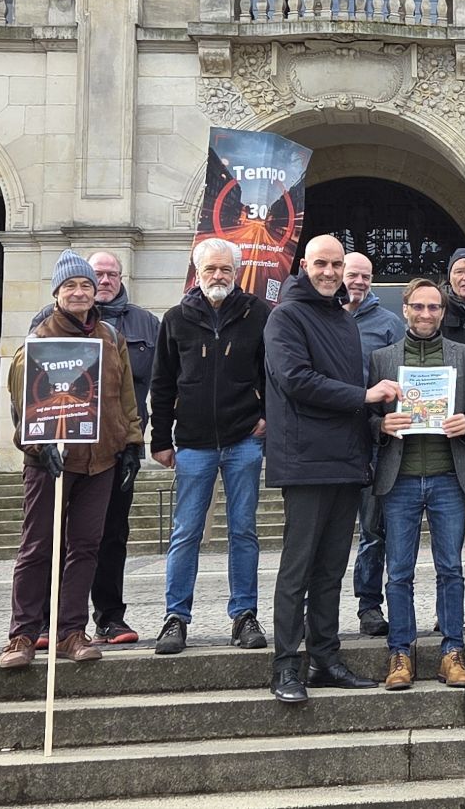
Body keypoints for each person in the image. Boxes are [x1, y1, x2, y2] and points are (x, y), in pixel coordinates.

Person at [264, 235, 401, 704]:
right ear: (304, 265)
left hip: (346, 459)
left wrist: (376, 421)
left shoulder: (342, 319)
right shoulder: (285, 316)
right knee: (297, 570)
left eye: (336, 264)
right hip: (304, 460)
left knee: (330, 570)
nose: (329, 271)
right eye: (320, 263)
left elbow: (349, 388)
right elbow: (296, 380)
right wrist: (365, 397)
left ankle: (324, 657)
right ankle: (286, 666)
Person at [0, 251, 142, 670]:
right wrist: (37, 446)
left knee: (85, 547)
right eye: (69, 286)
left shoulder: (111, 337)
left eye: (85, 286)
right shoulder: (39, 338)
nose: (79, 293)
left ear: (95, 291)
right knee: (38, 547)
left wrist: (131, 442)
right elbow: (22, 405)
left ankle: (72, 631)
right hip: (51, 462)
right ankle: (23, 633)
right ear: (57, 293)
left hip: (100, 461)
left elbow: (125, 397)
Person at [147, 238, 271, 655]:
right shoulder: (175, 318)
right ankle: (175, 618)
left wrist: (266, 416)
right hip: (193, 444)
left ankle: (244, 615)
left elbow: (270, 372)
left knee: (244, 530)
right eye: (210, 269)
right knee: (185, 532)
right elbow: (162, 384)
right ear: (196, 273)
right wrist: (160, 439)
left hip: (244, 440)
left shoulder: (258, 313)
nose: (218, 276)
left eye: (225, 269)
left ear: (237, 272)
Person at [369, 278, 465, 689]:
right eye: (418, 306)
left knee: (450, 568)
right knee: (399, 571)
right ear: (405, 309)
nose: (425, 314)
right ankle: (400, 653)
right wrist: (381, 424)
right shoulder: (383, 358)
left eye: (433, 307)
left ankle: (452, 652)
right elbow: (367, 415)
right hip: (398, 477)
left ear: (443, 312)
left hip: (447, 476)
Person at [89, 251, 156, 645]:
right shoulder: (50, 319)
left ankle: (110, 617)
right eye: (98, 274)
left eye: (111, 274)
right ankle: (53, 620)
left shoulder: (146, 323)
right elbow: (28, 386)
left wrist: (144, 442)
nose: (105, 281)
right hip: (68, 447)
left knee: (113, 535)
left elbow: (163, 384)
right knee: (58, 536)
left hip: (120, 447)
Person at [346, 250, 406, 638]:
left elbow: (402, 380)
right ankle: (311, 608)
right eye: (352, 274)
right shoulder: (318, 318)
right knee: (321, 533)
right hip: (327, 441)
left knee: (373, 530)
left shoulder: (389, 324)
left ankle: (368, 604)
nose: (358, 282)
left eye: (366, 276)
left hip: (373, 440)